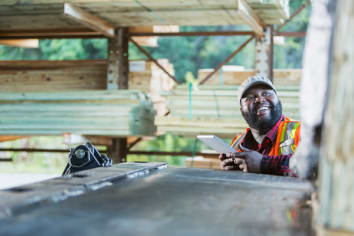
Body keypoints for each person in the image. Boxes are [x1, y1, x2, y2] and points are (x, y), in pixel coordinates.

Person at [219, 75, 300, 176]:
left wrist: (264, 164)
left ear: (278, 100)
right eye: (250, 97)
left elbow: (317, 164)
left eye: (266, 93)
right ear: (241, 110)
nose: (260, 99)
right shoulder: (237, 146)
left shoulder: (300, 131)